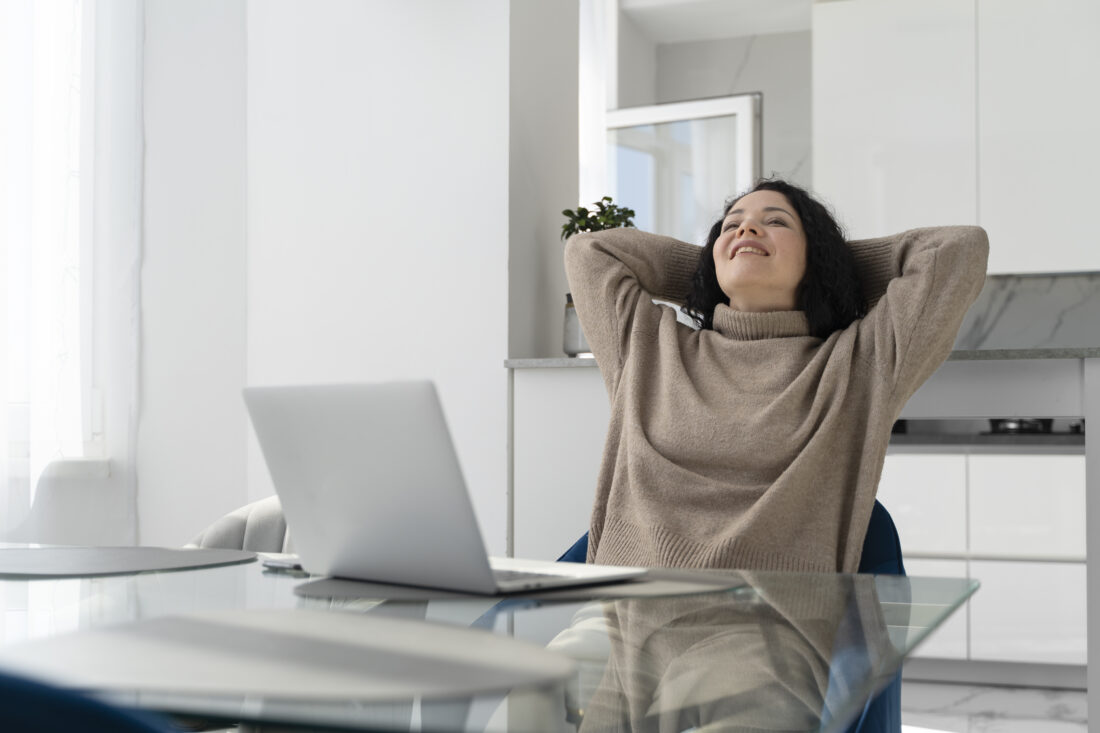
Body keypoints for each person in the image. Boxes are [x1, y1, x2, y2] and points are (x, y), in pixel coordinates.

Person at [564, 178, 988, 573]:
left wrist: (831, 262)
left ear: (815, 256)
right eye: (731, 225)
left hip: (764, 628)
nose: (746, 230)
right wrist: (715, 264)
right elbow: (589, 252)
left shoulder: (860, 362)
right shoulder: (650, 350)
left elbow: (958, 249)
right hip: (619, 618)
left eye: (775, 222)